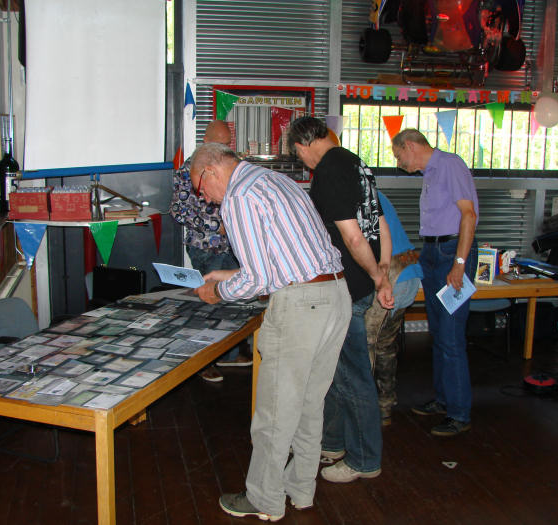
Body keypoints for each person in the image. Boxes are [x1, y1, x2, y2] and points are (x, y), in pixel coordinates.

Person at [189, 142, 351, 522]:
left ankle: (264, 500)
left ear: (210, 171)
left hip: (301, 306)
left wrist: (218, 291)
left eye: (200, 189)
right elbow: (281, 258)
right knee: (310, 404)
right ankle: (300, 490)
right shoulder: (278, 181)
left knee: (275, 413)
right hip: (334, 294)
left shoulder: (238, 197)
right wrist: (229, 275)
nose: (207, 200)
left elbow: (260, 278)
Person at [288, 116, 394, 484]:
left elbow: (352, 237)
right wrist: (381, 271)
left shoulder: (329, 171)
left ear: (303, 145)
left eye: (298, 155)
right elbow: (378, 222)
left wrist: (375, 273)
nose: (303, 162)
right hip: (360, 282)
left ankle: (365, 459)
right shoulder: (356, 161)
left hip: (346, 287)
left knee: (352, 375)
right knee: (331, 369)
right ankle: (332, 442)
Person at [391, 128, 478, 437]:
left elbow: (468, 216)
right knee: (440, 334)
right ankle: (444, 400)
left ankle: (459, 413)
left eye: (399, 155)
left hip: (449, 252)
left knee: (452, 337)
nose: (398, 161)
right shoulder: (429, 173)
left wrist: (459, 263)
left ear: (411, 145)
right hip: (432, 250)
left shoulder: (450, 164)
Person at [169, 120, 250, 382]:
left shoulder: (228, 168)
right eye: (223, 144)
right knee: (210, 304)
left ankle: (234, 353)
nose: (228, 149)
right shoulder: (187, 171)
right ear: (207, 142)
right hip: (205, 248)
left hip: (232, 246)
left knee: (236, 302)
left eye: (229, 143)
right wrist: (218, 226)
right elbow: (178, 211)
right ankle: (206, 361)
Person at [364, 191, 423, 427]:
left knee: (366, 344)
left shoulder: (351, 196)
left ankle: (364, 411)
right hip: (408, 273)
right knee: (384, 344)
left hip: (392, 276)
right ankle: (384, 405)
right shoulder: (375, 193)